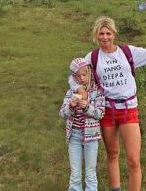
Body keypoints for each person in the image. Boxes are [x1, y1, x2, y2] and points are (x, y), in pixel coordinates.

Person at [69, 17, 146, 191]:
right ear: (96, 36)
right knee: (112, 154)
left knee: (133, 160)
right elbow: (73, 75)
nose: (105, 37)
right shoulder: (93, 57)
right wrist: (80, 90)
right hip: (107, 110)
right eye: (101, 34)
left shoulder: (127, 52)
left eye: (108, 33)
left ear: (114, 34)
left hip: (128, 109)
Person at [59, 58, 105, 191]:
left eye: (84, 74)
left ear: (89, 73)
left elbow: (100, 114)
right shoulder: (71, 93)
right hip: (74, 136)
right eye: (78, 76)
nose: (82, 78)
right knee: (75, 174)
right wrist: (70, 107)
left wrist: (87, 108)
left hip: (92, 137)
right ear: (75, 78)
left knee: (91, 172)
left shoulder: (97, 92)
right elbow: (62, 114)